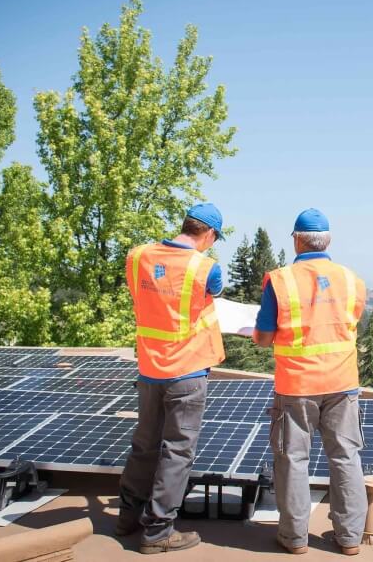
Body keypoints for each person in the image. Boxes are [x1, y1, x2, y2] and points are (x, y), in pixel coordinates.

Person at [253, 208, 367, 556]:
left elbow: (263, 337)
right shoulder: (351, 279)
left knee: (292, 460)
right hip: (342, 382)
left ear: (296, 240)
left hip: (297, 385)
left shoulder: (281, 280)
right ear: (327, 240)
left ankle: (294, 538)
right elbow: (349, 324)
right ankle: (349, 539)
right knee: (346, 457)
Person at [117, 203, 227, 554]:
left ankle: (127, 517)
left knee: (144, 445)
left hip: (149, 369)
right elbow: (216, 290)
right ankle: (158, 531)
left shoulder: (137, 257)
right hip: (187, 371)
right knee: (177, 451)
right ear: (208, 234)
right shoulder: (206, 268)